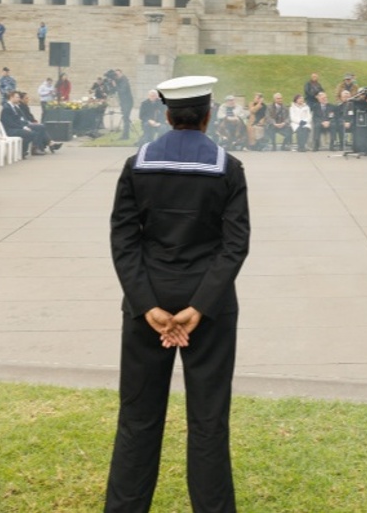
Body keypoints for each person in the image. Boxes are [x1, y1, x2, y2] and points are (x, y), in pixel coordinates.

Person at [106, 75, 250, 512]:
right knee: (208, 421)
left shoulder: (138, 163)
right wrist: (200, 306)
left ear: (167, 116)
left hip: (146, 300)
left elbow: (124, 240)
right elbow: (234, 244)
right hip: (210, 306)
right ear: (207, 116)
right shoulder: (228, 166)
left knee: (138, 418)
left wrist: (147, 304)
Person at [0, 90, 54, 156]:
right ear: (11, 97)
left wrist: (27, 124)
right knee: (31, 133)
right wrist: (23, 127)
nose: (19, 99)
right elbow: (9, 123)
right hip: (10, 129)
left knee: (40, 127)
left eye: (19, 97)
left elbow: (21, 119)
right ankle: (24, 151)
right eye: (17, 97)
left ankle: (36, 148)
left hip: (18, 126)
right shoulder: (7, 108)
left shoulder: (15, 107)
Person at [115, 69, 135, 140]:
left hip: (128, 102)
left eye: (117, 74)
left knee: (126, 118)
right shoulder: (119, 80)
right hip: (124, 102)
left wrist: (115, 85)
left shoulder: (124, 80)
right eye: (115, 75)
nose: (116, 76)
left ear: (121, 74)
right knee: (125, 118)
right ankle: (126, 134)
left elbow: (122, 91)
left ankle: (125, 136)